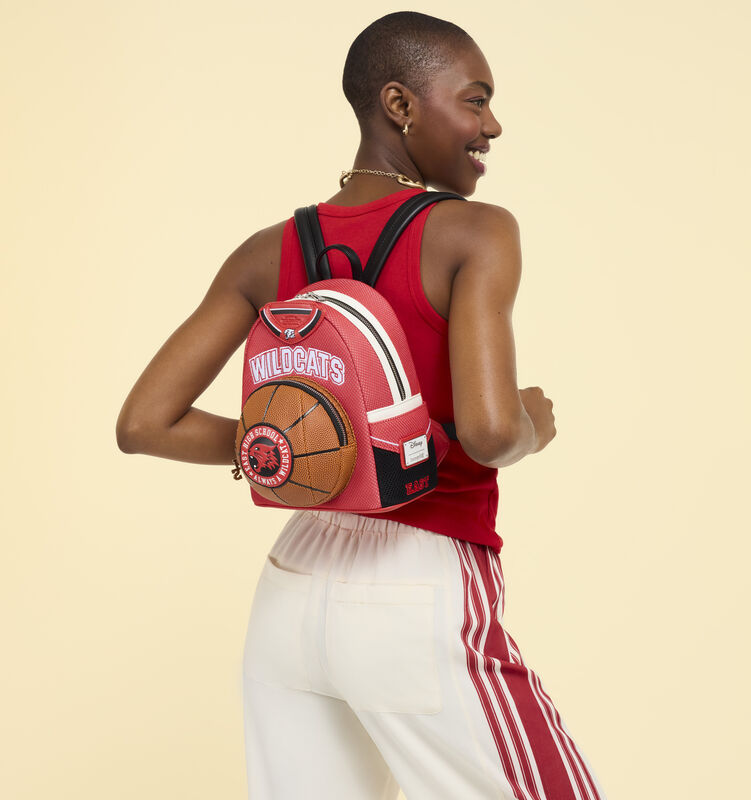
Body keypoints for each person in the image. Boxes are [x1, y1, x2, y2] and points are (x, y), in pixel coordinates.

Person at [116, 11, 607, 800]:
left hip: (290, 584)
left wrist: (314, 446)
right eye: (476, 100)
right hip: (417, 582)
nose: (492, 126)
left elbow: (145, 424)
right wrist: (531, 423)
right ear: (400, 105)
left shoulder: (267, 250)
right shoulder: (475, 233)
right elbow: (489, 433)